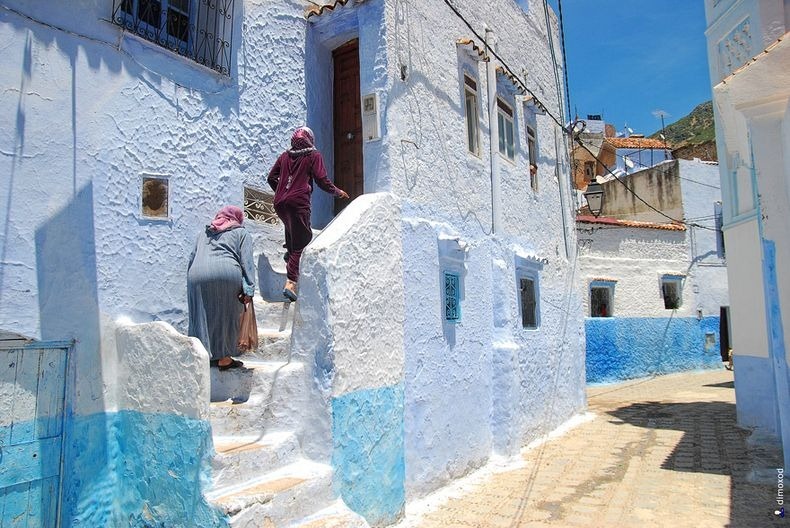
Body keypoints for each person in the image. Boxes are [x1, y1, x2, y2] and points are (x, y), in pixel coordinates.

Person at [268, 126, 349, 301]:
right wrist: (337, 192)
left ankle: (290, 255)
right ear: (309, 139)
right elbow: (321, 180)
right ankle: (291, 281)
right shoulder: (313, 155)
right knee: (303, 238)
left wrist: (282, 192)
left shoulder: (284, 156)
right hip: (298, 202)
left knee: (292, 228)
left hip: (280, 202)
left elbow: (271, 177)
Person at [187, 205, 255, 370]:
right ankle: (224, 358)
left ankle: (204, 355)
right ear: (237, 219)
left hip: (196, 274)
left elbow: (192, 257)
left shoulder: (204, 233)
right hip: (226, 273)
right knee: (228, 314)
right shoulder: (241, 232)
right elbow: (246, 262)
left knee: (203, 315)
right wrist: (249, 288)